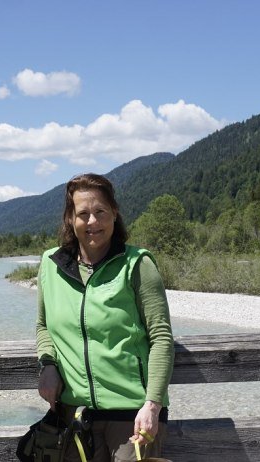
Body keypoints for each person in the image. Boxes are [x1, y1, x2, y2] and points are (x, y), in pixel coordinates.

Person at [35, 173, 174, 462]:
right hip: (73, 418)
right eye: (83, 214)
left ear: (115, 213)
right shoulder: (50, 266)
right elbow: (43, 326)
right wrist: (47, 363)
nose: (92, 222)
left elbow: (161, 338)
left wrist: (153, 405)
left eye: (100, 212)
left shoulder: (138, 264)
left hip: (132, 418)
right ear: (70, 218)